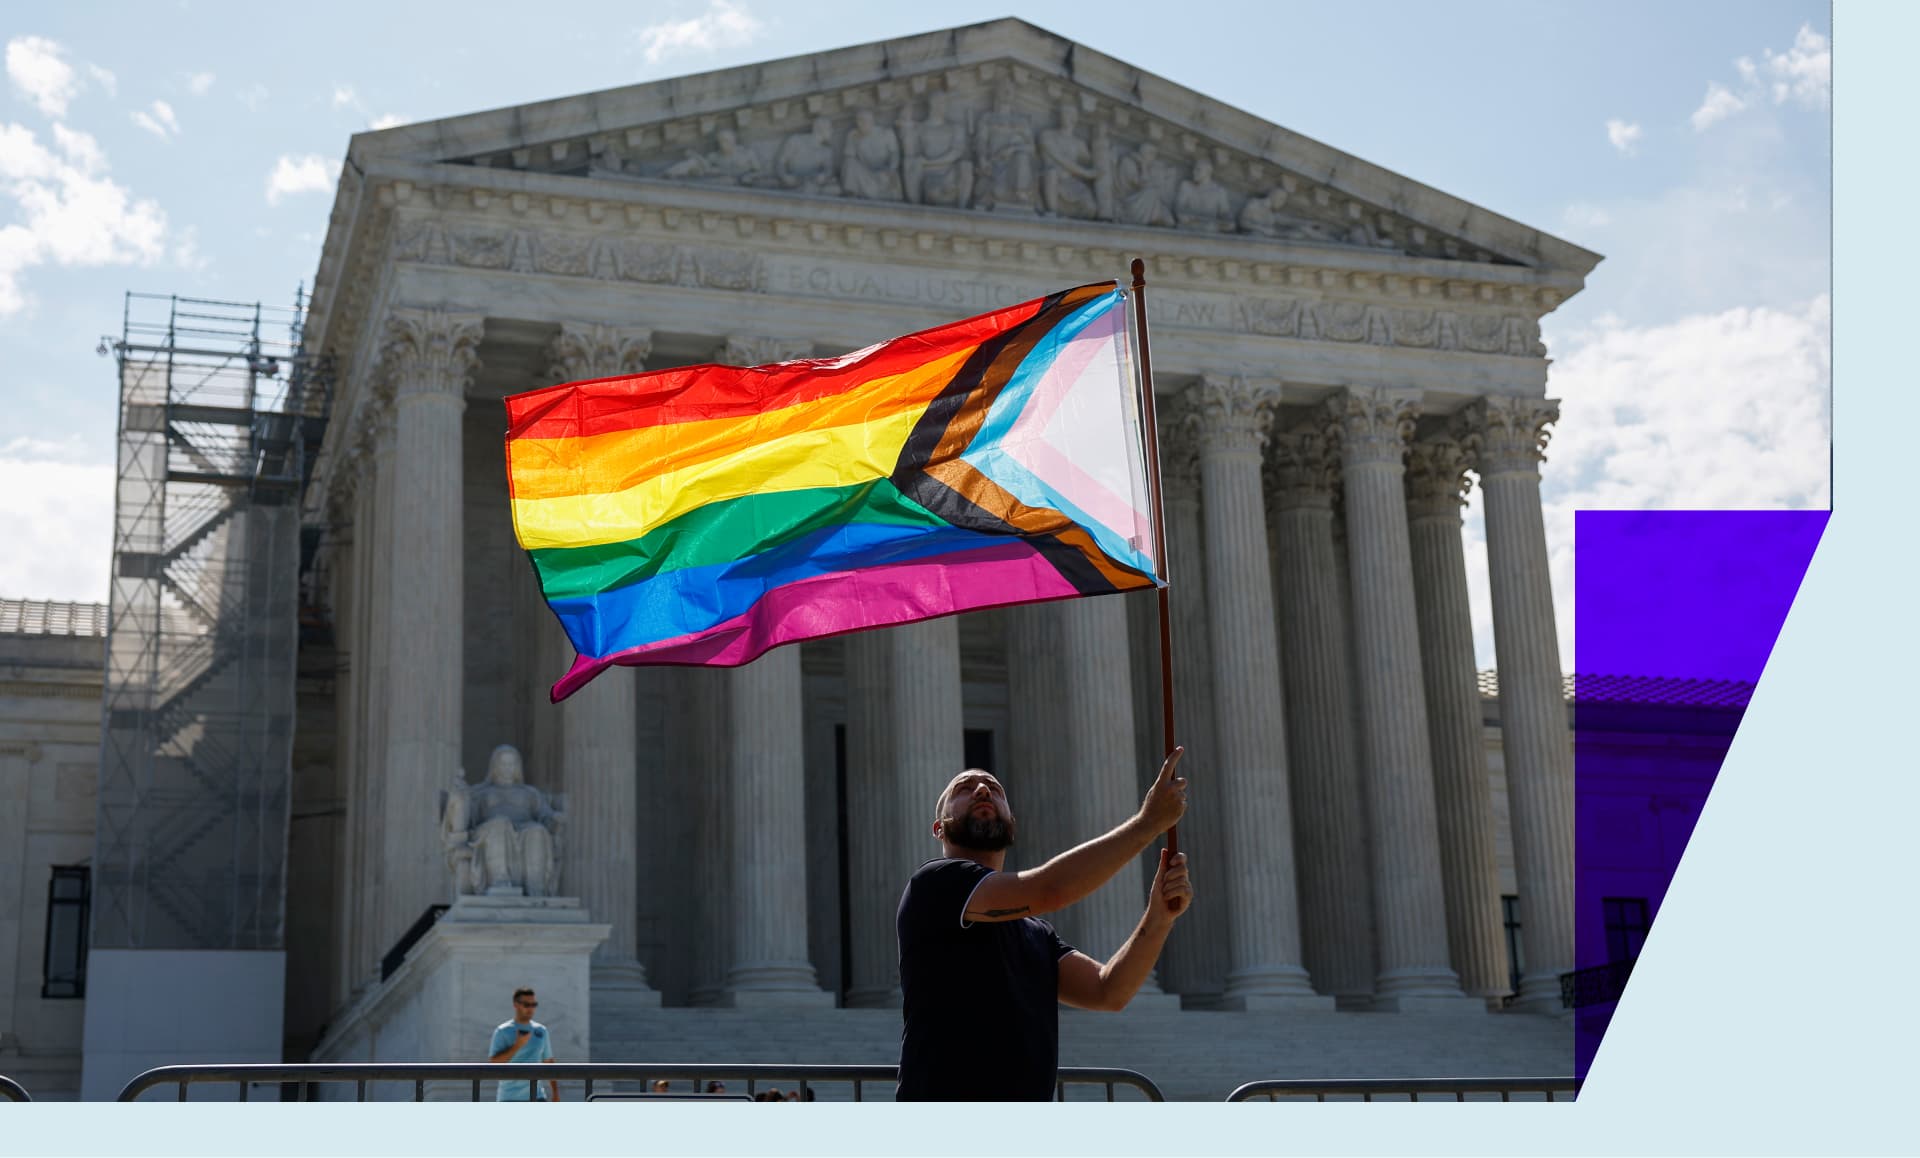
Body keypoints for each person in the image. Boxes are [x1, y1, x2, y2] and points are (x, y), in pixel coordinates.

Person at [895, 750, 1193, 1101]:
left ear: (1012, 821)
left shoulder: (1034, 933)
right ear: (939, 828)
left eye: (993, 788)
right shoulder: (934, 883)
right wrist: (1147, 824)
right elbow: (1049, 889)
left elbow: (1108, 990)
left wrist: (1159, 917)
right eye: (964, 788)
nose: (981, 790)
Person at [487, 987, 558, 1102]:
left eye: (533, 1005)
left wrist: (555, 1093)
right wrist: (517, 1046)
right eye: (526, 1004)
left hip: (537, 1097)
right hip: (509, 1098)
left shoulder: (541, 1031)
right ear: (516, 1005)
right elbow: (494, 1063)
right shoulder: (502, 1031)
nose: (530, 1009)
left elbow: (549, 1062)